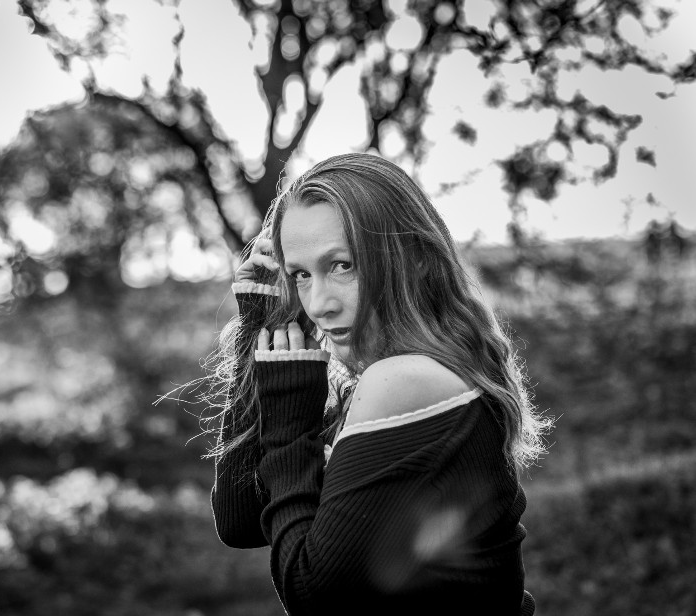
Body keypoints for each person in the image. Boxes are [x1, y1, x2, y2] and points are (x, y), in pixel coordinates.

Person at [206, 153, 552, 615]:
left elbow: (313, 597)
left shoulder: (404, 380)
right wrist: (257, 327)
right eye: (300, 275)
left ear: (416, 258)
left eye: (342, 265)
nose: (318, 304)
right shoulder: (400, 373)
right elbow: (240, 520)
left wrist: (289, 421)